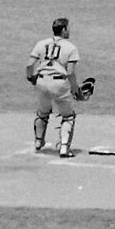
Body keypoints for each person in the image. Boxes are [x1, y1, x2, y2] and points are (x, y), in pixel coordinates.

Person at [27, 17, 83, 159]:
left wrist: (31, 78)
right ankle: (64, 148)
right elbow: (70, 72)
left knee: (43, 112)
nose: (69, 31)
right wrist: (75, 88)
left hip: (41, 81)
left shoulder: (41, 43)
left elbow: (29, 65)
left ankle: (38, 141)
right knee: (68, 116)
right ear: (63, 30)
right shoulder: (70, 47)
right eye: (68, 28)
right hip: (59, 83)